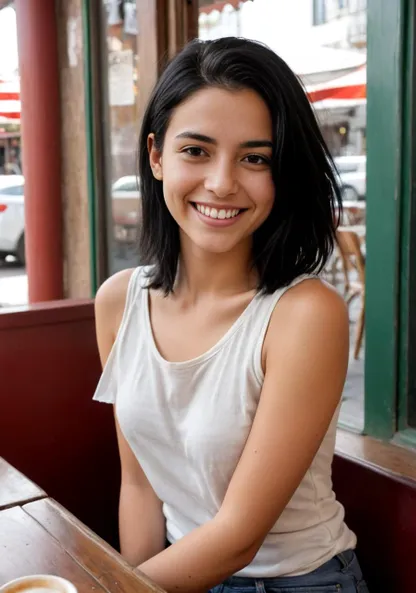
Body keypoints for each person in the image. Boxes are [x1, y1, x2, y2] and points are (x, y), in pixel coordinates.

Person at [93, 37, 369, 593]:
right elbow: (142, 487)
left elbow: (240, 535)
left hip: (297, 582)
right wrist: (132, 582)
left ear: (281, 173)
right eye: (196, 150)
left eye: (254, 158)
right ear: (155, 155)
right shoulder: (119, 300)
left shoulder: (305, 315)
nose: (222, 182)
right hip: (175, 571)